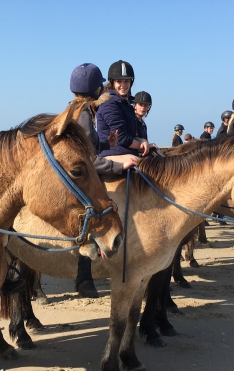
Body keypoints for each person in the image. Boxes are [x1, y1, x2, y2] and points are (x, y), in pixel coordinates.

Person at [69, 63, 138, 298]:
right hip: (80, 174)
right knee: (95, 210)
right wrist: (119, 164)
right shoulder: (85, 113)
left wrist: (106, 144)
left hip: (85, 166)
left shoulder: (82, 109)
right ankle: (84, 274)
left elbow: (89, 146)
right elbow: (88, 160)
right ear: (99, 87)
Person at [97, 60, 153, 161]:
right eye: (119, 81)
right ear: (112, 82)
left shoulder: (125, 103)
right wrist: (141, 144)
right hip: (112, 154)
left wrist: (143, 141)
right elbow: (121, 138)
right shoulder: (109, 103)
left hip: (125, 153)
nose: (123, 85)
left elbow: (130, 135)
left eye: (126, 81)